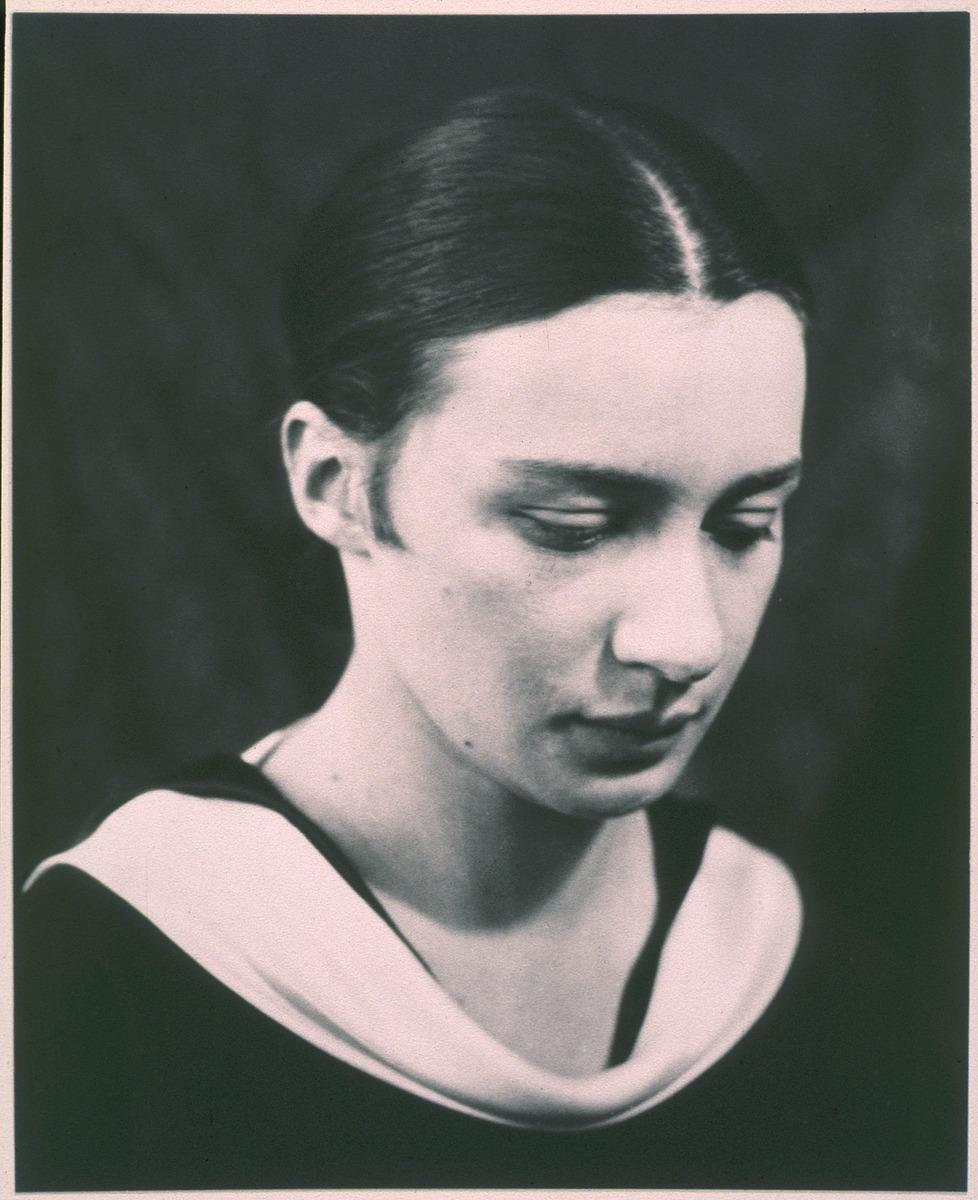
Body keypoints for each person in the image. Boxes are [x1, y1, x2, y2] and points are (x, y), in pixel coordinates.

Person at [15, 89, 960, 1191]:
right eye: (573, 525)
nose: (688, 639)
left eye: (745, 524)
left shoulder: (825, 1002)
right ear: (336, 485)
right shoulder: (95, 989)